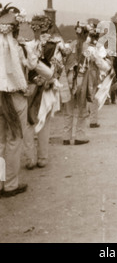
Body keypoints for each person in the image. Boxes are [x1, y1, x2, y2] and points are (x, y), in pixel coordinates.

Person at [0, 4, 41, 197]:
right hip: (14, 97)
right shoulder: (16, 46)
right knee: (14, 140)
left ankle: (1, 182)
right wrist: (26, 88)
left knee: (0, 142)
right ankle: (10, 184)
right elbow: (27, 66)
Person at [24, 15, 65, 169]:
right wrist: (50, 78)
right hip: (43, 86)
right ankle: (41, 157)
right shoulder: (54, 46)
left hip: (33, 85)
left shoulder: (27, 45)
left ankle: (32, 158)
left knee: (30, 121)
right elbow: (59, 67)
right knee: (42, 122)